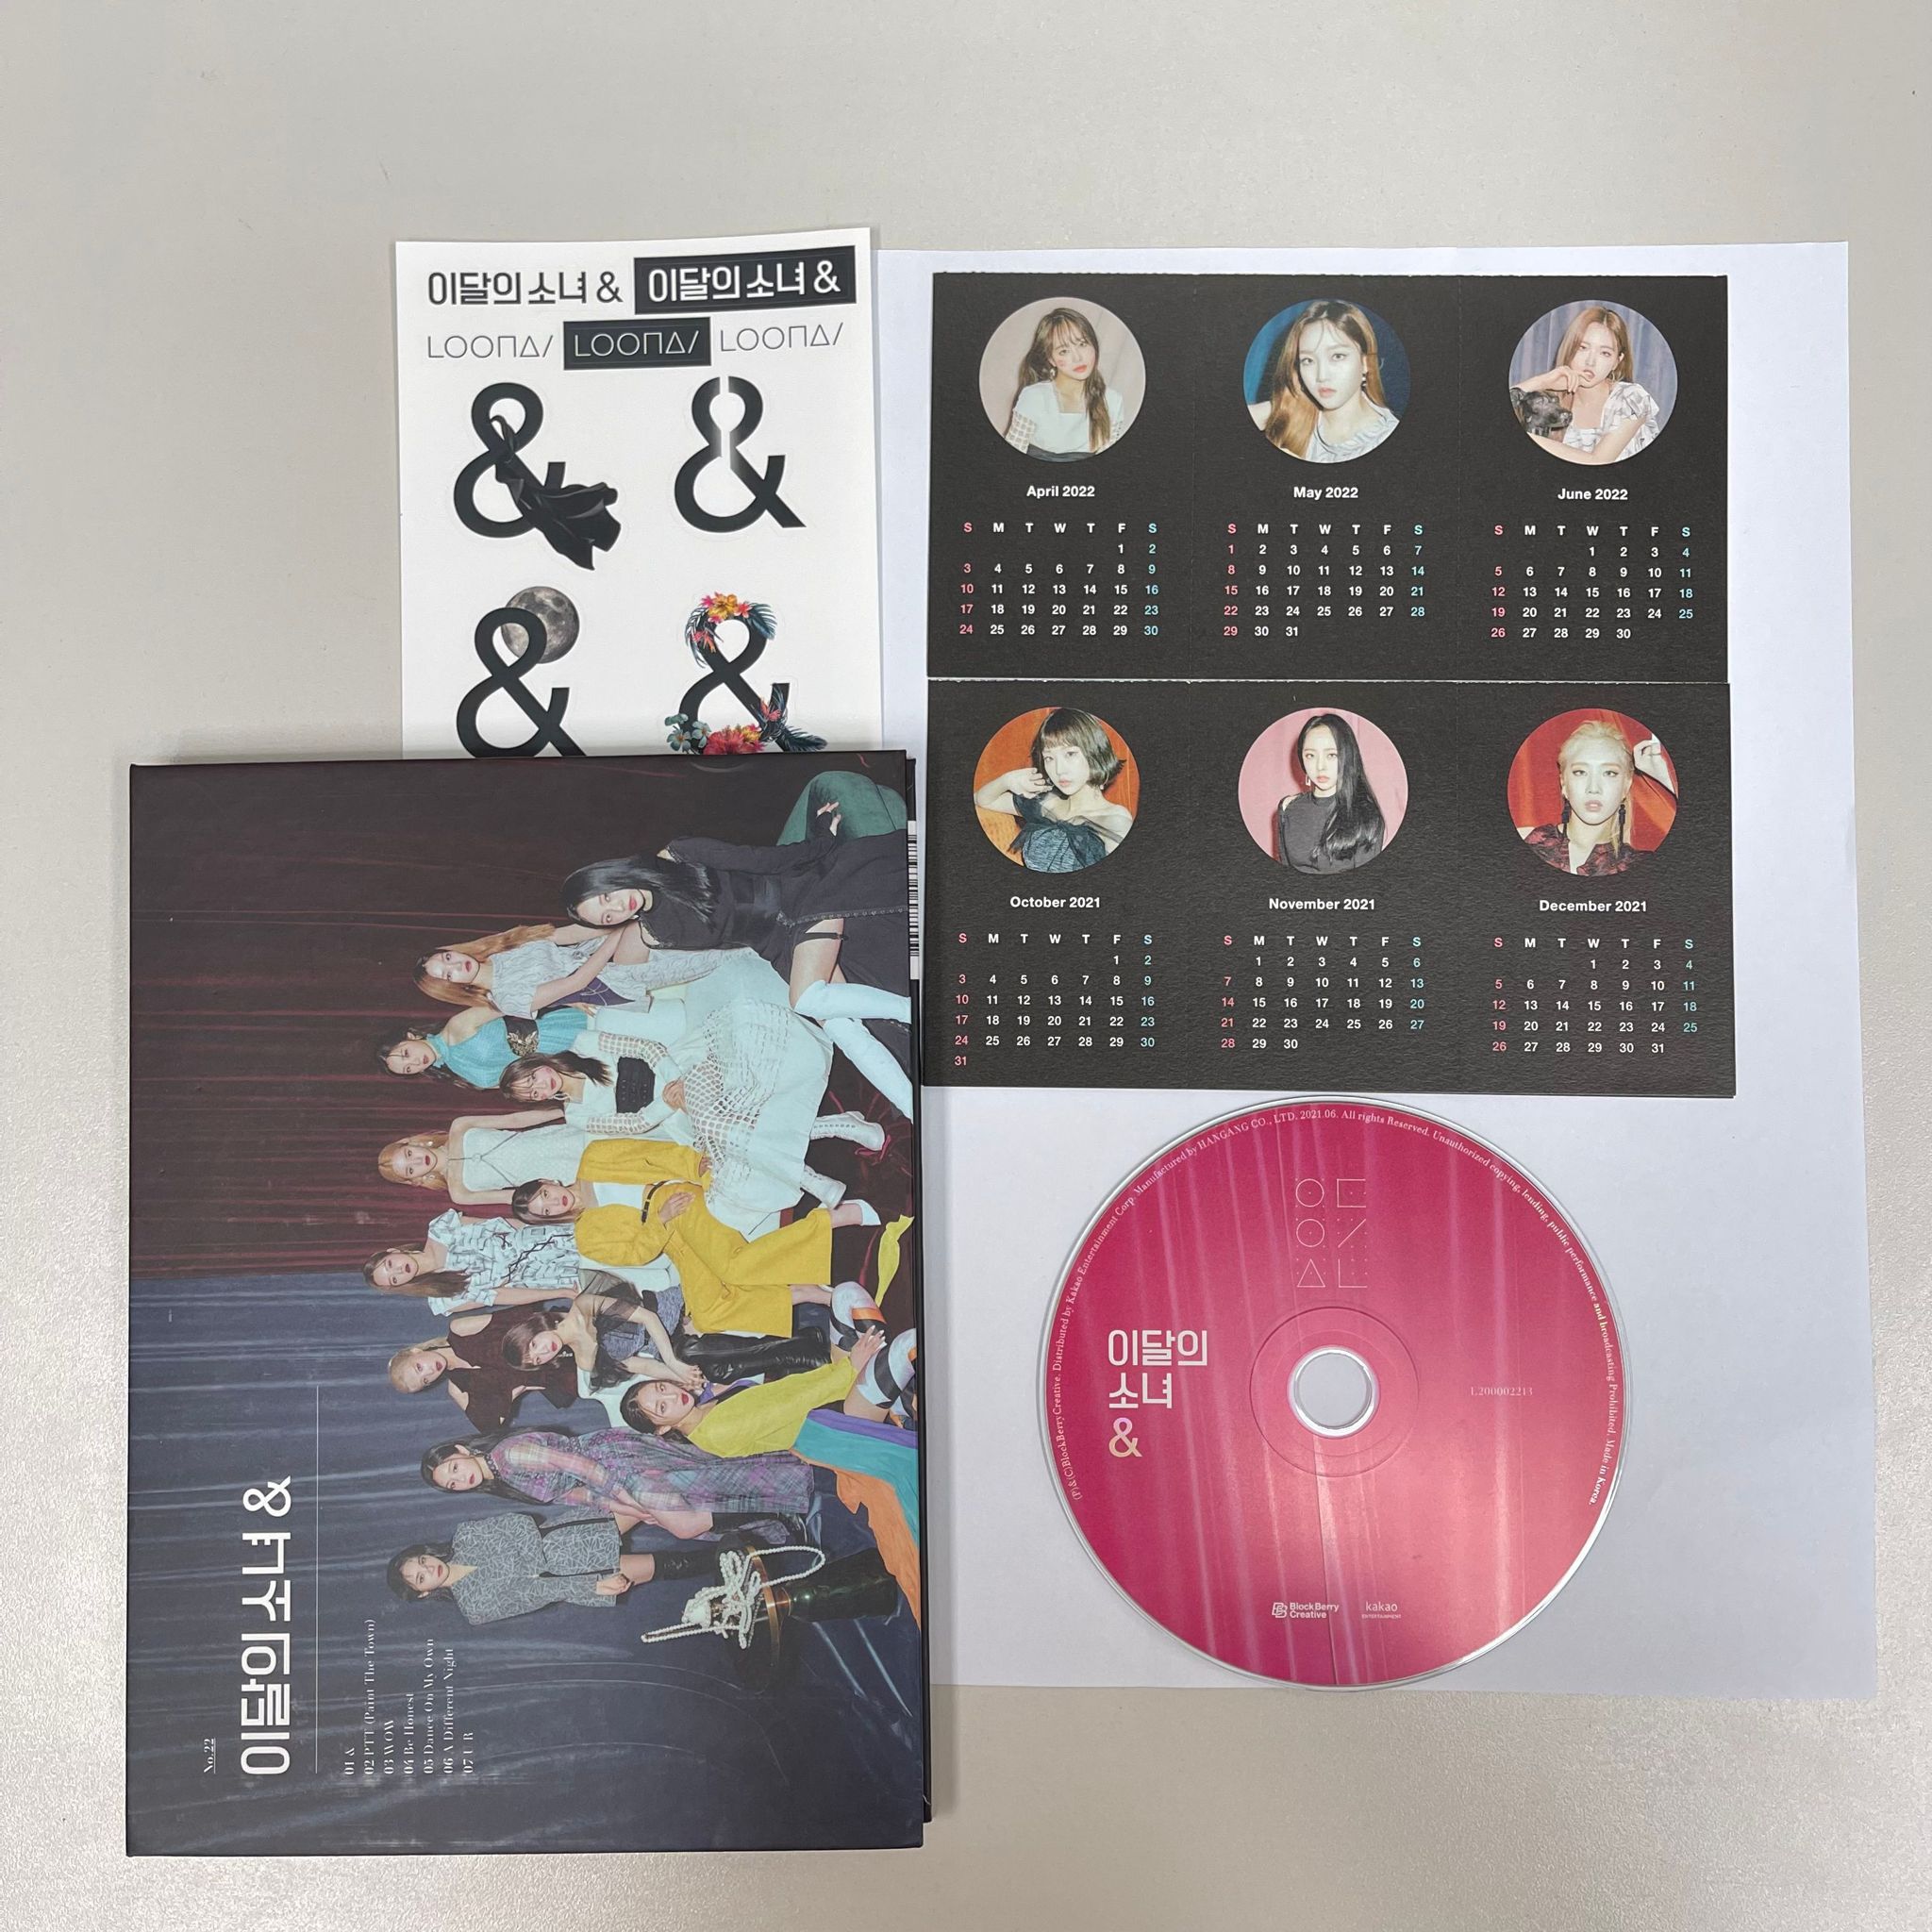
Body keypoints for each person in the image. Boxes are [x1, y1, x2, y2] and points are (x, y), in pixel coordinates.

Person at [562, 785, 915, 1116]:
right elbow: (728, 941)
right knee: (841, 1029)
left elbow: (764, 860)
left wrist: (822, 840)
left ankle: (908, 1009)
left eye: (607, 896)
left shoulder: (680, 854)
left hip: (803, 895)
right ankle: (914, 1108)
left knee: (805, 999)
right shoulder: (656, 935)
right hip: (778, 945)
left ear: (609, 875)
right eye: (608, 917)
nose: (618, 907)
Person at [496, 951, 884, 1230]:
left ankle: (811, 1175)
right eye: (532, 1094)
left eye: (531, 1079)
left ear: (536, 1064)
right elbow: (631, 1125)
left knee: (716, 1121)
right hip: (677, 1117)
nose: (539, 1087)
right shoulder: (577, 1116)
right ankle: (837, 1128)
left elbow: (644, 1048)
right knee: (724, 1130)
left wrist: (674, 1083)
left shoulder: (584, 1045)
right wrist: (669, 1104)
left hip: (685, 1067)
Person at [510, 1138, 896, 1337]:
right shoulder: (587, 1238)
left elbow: (654, 1153)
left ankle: (833, 1219)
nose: (554, 1203)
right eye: (546, 1211)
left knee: (735, 1267)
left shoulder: (594, 1156)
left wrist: (696, 1165)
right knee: (709, 1313)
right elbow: (637, 1254)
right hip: (670, 1236)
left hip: (675, 1196)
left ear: (548, 1181)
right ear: (550, 1220)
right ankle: (805, 1292)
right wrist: (659, 1223)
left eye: (545, 1194)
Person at [420, 1426, 815, 1539]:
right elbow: (578, 1495)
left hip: (611, 1459)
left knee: (685, 1524)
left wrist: (631, 1498)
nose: (460, 1479)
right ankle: (779, 1504)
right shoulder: (506, 1479)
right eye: (453, 1485)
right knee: (691, 1497)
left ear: (461, 1450)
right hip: (608, 1480)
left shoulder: (509, 1455)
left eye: (453, 1468)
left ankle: (779, 1511)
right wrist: (632, 1509)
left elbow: (582, 1467)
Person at [387, 1515, 729, 1624]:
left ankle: (742, 1515)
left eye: (422, 1561)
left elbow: (520, 1524)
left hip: (569, 1536)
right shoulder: (474, 1608)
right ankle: (742, 1552)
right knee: (667, 1565)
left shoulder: (466, 1535)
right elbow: (535, 1596)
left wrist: (529, 1568)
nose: (428, 1569)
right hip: (575, 1578)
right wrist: (589, 1587)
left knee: (658, 1506)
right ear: (424, 1593)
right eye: (420, 1578)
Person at [974, 708, 1135, 873]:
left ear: (1095, 753)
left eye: (1070, 754)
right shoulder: (1046, 802)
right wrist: (1007, 780)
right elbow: (982, 799)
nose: (1058, 770)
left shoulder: (1114, 819)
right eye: (1049, 758)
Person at [1516, 717, 1677, 876]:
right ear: (1563, 783)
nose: (1593, 788)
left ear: (1626, 786)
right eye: (1580, 772)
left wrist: (1665, 776)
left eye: (1609, 773)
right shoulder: (1526, 841)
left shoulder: (1642, 865)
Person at [386, 1302, 583, 1430]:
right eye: (425, 1380)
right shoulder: (458, 1387)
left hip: (561, 1336)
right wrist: (518, 1389)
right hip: (565, 1375)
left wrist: (573, 1321)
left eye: (419, 1367)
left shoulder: (460, 1331)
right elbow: (491, 1427)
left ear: (416, 1351)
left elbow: (525, 1317)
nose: (430, 1372)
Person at [361, 1208, 581, 1318]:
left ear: (394, 1251)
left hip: (545, 1238)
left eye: (390, 1264)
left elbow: (504, 1224)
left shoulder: (441, 1228)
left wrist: (554, 1224)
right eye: (394, 1279)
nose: (399, 1270)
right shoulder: (443, 1300)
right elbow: (502, 1296)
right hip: (543, 1276)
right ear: (400, 1285)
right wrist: (559, 1292)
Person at [1251, 301, 1399, 462]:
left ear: (1366, 363)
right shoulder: (1296, 416)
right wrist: (1279, 406)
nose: (1321, 376)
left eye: (1337, 356)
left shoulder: (1388, 437)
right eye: (1308, 360)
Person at [1510, 307, 1662, 464]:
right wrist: (1541, 381)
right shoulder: (1551, 403)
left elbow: (1598, 461)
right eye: (1582, 348)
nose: (1590, 361)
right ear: (1570, 349)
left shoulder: (1632, 398)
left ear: (1617, 361)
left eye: (1605, 353)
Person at [415, 923, 628, 1019]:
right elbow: (575, 983)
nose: (456, 965)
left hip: (604, 948)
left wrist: (619, 923)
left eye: (448, 958)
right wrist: (620, 934)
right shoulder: (506, 1000)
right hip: (611, 981)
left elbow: (570, 934)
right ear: (454, 988)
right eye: (448, 975)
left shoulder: (501, 944)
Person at [377, 1111, 591, 1207]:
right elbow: (514, 1198)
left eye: (409, 1154)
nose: (417, 1162)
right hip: (561, 1176)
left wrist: (562, 1111)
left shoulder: (459, 1127)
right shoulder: (459, 1194)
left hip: (560, 1140)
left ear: (412, 1143)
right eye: (410, 1169)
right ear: (414, 1180)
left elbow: (514, 1120)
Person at [1001, 306, 1130, 460]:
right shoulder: (1035, 397)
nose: (1078, 358)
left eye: (1082, 344)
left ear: (1094, 345)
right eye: (1064, 351)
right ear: (1051, 359)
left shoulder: (1112, 400)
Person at [1273, 713, 1387, 874]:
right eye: (1310, 755)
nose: (1320, 766)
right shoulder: (1288, 808)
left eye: (1331, 755)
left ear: (1347, 756)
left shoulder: (1366, 815)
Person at [376, 1006, 586, 1090]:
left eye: (406, 1053)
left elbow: (519, 1001)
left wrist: (573, 998)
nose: (414, 1062)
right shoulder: (458, 1076)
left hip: (563, 1030)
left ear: (411, 1036)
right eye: (408, 1069)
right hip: (567, 1067)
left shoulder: (457, 1026)